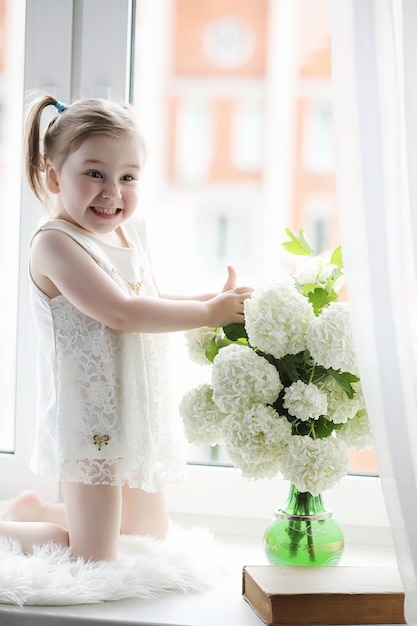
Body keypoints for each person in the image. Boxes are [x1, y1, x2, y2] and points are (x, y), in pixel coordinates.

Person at [0, 92, 252, 562]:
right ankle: (13, 530)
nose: (112, 191)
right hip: (89, 417)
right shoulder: (55, 245)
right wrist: (207, 315)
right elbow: (119, 311)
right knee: (90, 556)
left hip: (134, 405)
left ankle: (37, 509)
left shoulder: (130, 231)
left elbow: (147, 301)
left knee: (147, 532)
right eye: (94, 173)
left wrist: (213, 303)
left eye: (128, 177)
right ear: (54, 176)